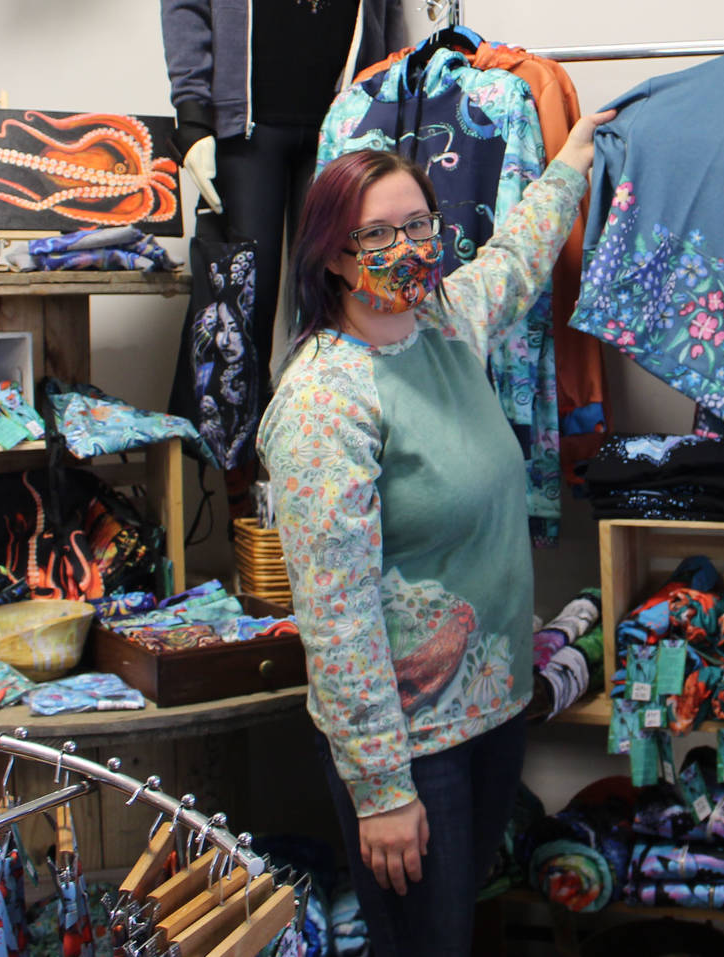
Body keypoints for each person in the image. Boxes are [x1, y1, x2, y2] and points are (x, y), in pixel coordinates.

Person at [259, 110, 613, 955]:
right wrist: (382, 789)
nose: (409, 246)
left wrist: (572, 158)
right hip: (410, 746)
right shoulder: (324, 403)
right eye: (378, 233)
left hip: (491, 713)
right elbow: (336, 614)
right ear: (336, 255)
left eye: (419, 223)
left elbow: (517, 258)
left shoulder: (443, 323)